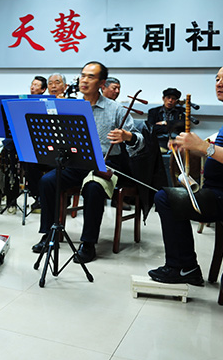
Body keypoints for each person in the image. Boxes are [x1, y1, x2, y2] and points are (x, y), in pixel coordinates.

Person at [149, 59, 223, 285]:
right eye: (217, 79)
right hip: (222, 193)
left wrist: (204, 147)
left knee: (166, 198)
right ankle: (185, 266)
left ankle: (183, 267)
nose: (218, 84)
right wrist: (191, 146)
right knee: (169, 196)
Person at [31, 61, 144, 264]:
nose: (84, 80)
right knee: (48, 181)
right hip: (77, 162)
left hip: (105, 165)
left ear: (101, 83)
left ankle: (88, 243)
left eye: (90, 77)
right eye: (82, 75)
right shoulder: (71, 106)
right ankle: (49, 234)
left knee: (93, 188)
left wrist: (127, 136)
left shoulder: (115, 109)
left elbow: (140, 141)